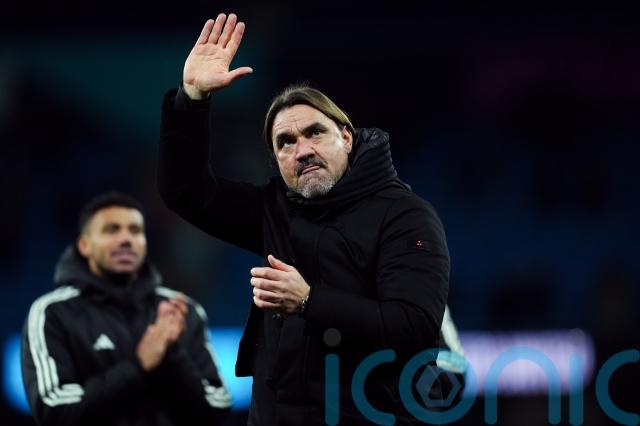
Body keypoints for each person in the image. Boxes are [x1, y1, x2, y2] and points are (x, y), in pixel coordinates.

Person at [158, 13, 451, 425]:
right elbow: (186, 191)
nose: (303, 150)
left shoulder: (405, 215)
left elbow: (413, 327)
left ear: (346, 137)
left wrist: (310, 302)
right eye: (286, 142)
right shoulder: (272, 209)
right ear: (276, 161)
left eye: (315, 133)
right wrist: (192, 99)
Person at [21, 191, 231, 426]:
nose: (126, 239)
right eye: (111, 230)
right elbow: (54, 411)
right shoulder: (53, 313)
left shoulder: (182, 311)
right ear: (84, 245)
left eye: (135, 230)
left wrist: (172, 351)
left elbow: (218, 406)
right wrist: (138, 366)